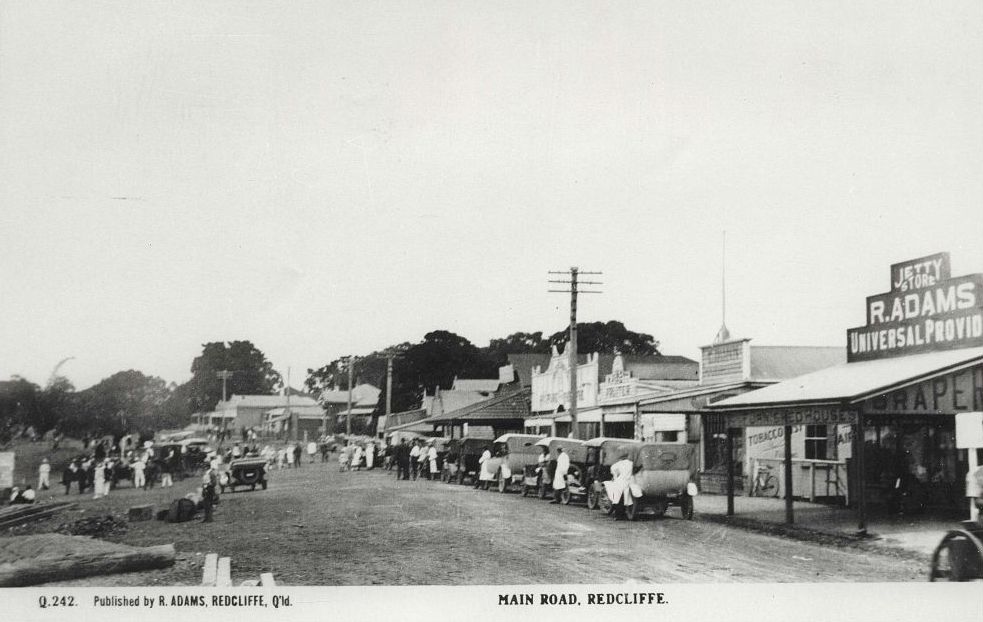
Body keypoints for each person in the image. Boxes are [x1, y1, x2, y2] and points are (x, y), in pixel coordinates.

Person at [603, 447, 635, 518]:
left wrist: (615, 476)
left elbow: (613, 470)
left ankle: (617, 515)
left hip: (621, 481)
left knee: (616, 497)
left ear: (621, 458)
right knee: (625, 497)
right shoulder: (631, 463)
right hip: (629, 481)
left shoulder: (618, 464)